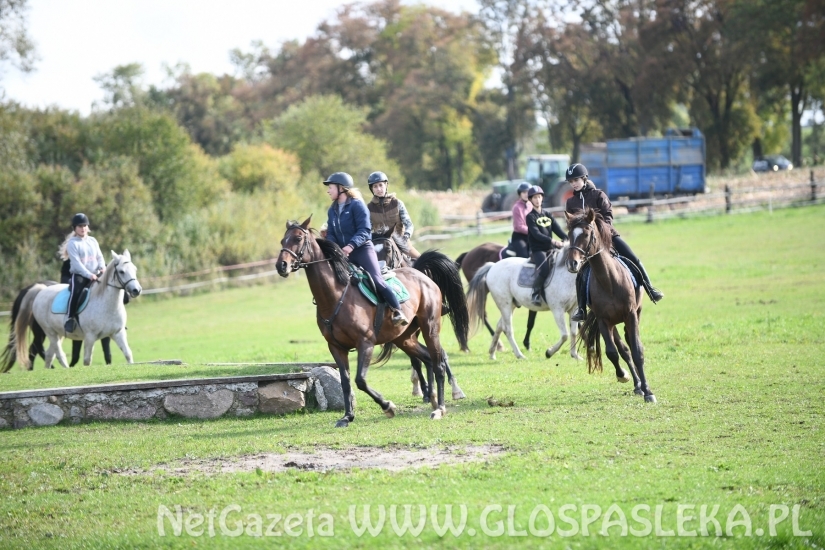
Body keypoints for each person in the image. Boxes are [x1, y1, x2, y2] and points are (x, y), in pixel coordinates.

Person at [564, 163, 664, 322]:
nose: (574, 183)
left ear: (584, 178)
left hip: (607, 237)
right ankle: (582, 309)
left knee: (634, 258)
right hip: (587, 245)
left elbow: (608, 217)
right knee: (581, 275)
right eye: (571, 181)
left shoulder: (598, 195)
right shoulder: (571, 203)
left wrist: (600, 232)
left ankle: (651, 290)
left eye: (576, 179)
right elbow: (572, 224)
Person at [323, 172, 409, 327]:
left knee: (377, 280)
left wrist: (350, 246)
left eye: (330, 187)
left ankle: (397, 310)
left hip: (362, 250)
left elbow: (364, 230)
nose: (328, 191)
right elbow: (331, 234)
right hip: (343, 254)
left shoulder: (357, 205)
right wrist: (333, 248)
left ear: (341, 188)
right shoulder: (332, 210)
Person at [63, 213, 106, 333]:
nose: (83, 228)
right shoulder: (72, 243)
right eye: (79, 226)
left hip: (96, 273)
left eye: (85, 225)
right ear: (75, 228)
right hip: (80, 276)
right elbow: (77, 264)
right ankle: (70, 318)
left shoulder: (93, 240)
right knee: (75, 292)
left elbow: (100, 256)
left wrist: (102, 267)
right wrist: (89, 275)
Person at [525, 186, 567, 306]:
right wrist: (553, 242)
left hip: (551, 248)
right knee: (544, 269)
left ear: (542, 198)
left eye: (539, 197)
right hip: (538, 250)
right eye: (534, 198)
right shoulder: (530, 217)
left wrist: (568, 239)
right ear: (530, 200)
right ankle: (536, 292)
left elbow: (558, 230)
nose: (537, 200)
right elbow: (537, 234)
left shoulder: (548, 214)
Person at [366, 171, 420, 261]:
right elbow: (367, 229)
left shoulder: (397, 203)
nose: (379, 189)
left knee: (423, 262)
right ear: (372, 189)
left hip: (402, 243)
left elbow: (409, 224)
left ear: (386, 185)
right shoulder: (369, 208)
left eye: (380, 185)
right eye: (375, 186)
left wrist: (406, 236)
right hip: (381, 245)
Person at [506, 182, 532, 258]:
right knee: (524, 256)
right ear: (520, 194)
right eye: (524, 192)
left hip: (531, 236)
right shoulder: (516, 207)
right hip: (519, 237)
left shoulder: (531, 205)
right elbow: (520, 226)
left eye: (528, 192)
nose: (526, 194)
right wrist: (533, 231)